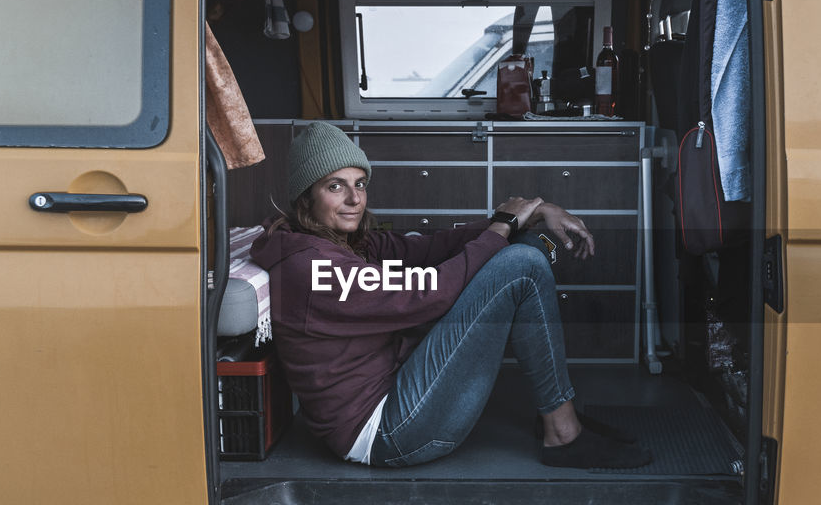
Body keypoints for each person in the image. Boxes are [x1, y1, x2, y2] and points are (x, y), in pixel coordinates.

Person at [250, 121, 650, 469]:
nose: (354, 200)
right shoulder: (312, 268)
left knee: (517, 246)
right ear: (306, 197)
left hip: (394, 389)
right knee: (520, 264)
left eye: (360, 184)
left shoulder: (343, 241)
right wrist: (504, 226)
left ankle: (559, 415)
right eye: (335, 187)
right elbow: (433, 293)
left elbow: (430, 246)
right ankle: (562, 432)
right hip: (386, 433)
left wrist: (528, 213)